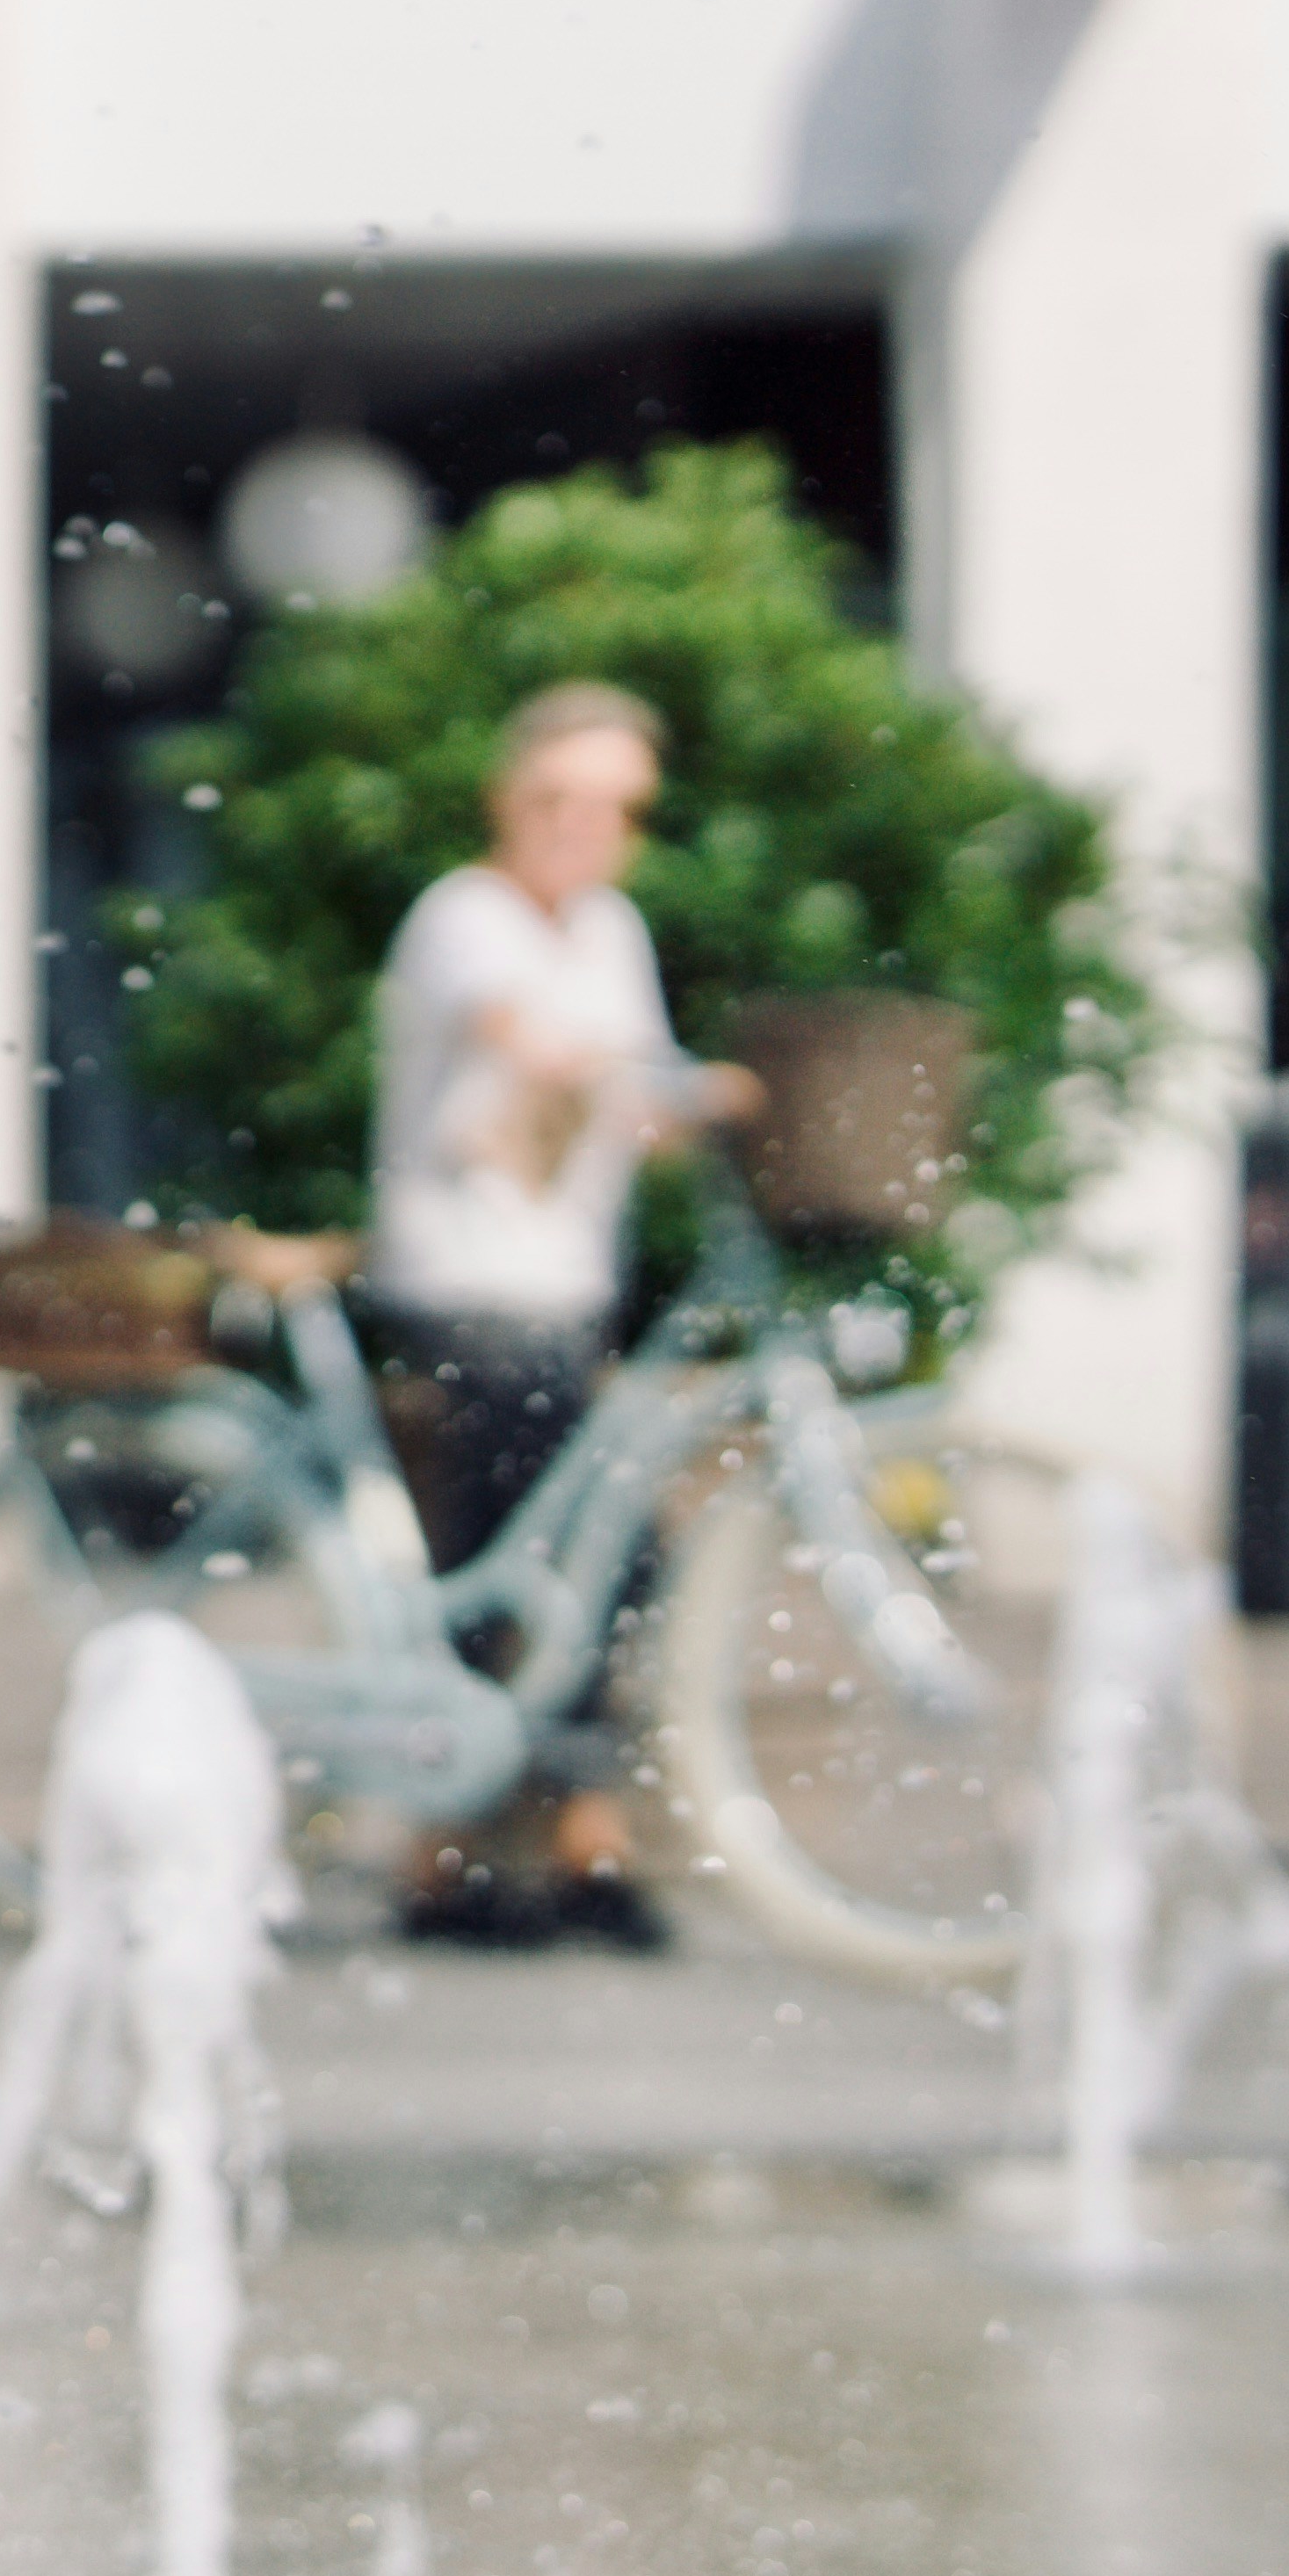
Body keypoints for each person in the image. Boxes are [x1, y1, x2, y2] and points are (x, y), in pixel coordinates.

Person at [359, 679, 753, 1950]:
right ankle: (450, 1847)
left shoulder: (612, 932)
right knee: (512, 1543)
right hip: (467, 1278)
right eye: (563, 800)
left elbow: (632, 1093)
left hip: (566, 1285)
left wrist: (706, 1107)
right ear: (509, 800)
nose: (590, 829)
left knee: (610, 1547)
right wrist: (675, 1082)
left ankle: (581, 1838)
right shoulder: (463, 917)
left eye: (619, 808)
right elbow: (521, 1037)